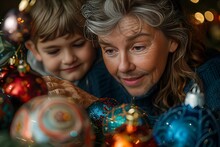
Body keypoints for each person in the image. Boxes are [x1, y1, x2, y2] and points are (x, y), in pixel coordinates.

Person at [45, 0, 220, 126]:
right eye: (110, 50)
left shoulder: (212, 82)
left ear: (173, 39)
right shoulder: (96, 79)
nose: (123, 66)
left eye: (137, 47)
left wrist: (102, 111)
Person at [24, 0, 120, 99]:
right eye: (53, 51)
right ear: (34, 50)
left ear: (94, 37)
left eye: (78, 44)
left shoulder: (111, 77)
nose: (69, 59)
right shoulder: (26, 84)